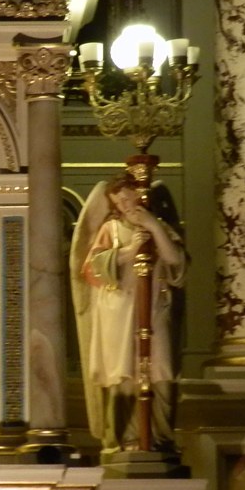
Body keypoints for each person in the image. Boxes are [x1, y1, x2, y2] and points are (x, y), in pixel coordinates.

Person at [70, 172, 188, 458]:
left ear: (139, 194)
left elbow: (176, 262)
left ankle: (159, 436)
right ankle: (126, 438)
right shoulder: (110, 229)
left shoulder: (158, 226)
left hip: (154, 309)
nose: (124, 204)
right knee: (122, 373)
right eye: (117, 200)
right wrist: (129, 250)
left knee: (160, 370)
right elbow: (90, 269)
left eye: (127, 197)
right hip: (118, 312)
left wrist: (152, 227)